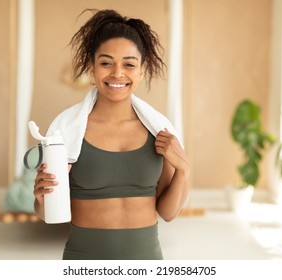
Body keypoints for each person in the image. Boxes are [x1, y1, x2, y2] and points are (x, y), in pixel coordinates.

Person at [33, 8, 190, 260]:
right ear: (92, 69)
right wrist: (41, 198)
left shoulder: (159, 132)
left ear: (141, 70)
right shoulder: (66, 132)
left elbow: (168, 213)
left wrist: (184, 169)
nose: (117, 73)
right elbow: (47, 213)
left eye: (129, 64)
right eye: (106, 63)